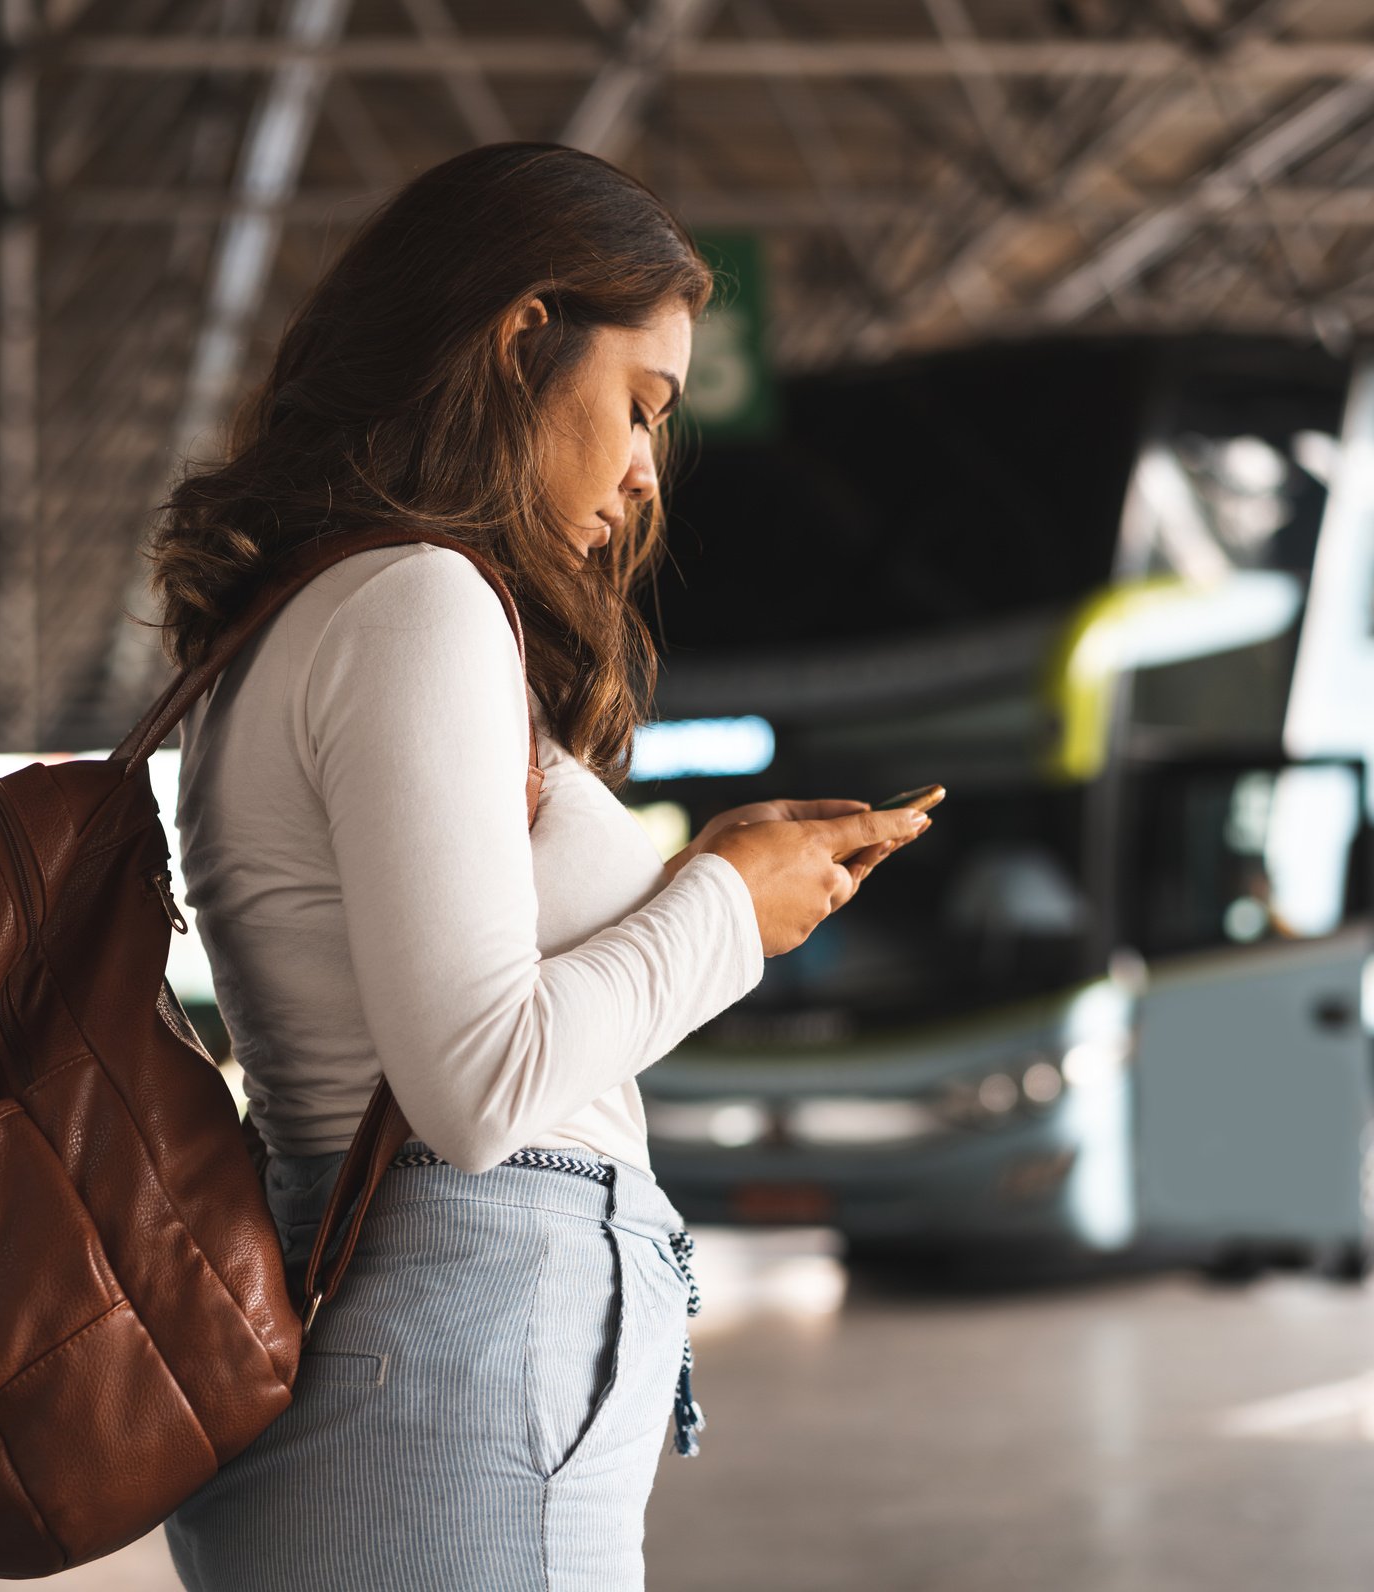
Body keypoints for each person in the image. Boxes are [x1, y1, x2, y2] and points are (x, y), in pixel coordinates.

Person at [148, 143, 932, 1591]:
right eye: (638, 405)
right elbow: (475, 1081)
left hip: (424, 1373)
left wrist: (719, 876)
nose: (645, 472)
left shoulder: (305, 617)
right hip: (450, 1371)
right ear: (521, 337)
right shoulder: (413, 603)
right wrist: (725, 914)